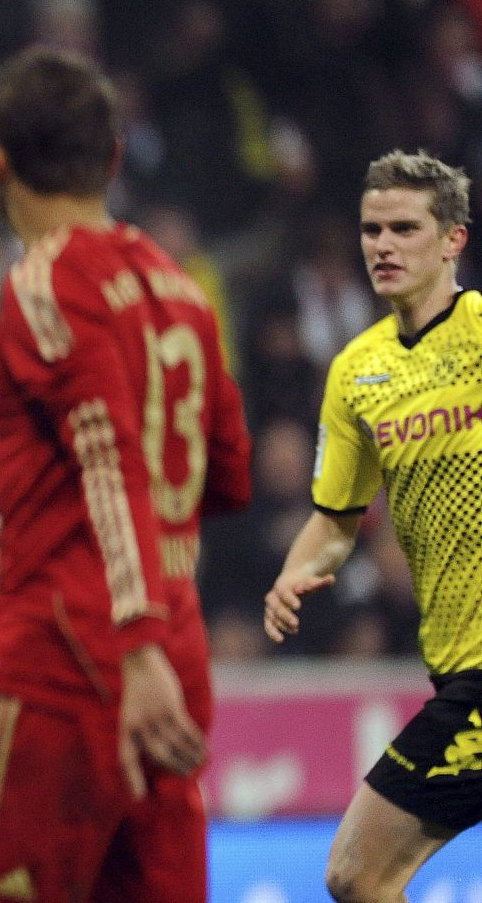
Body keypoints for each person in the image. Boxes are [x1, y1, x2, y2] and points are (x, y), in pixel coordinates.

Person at [0, 48, 252, 903]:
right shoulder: (180, 290)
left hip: (69, 662)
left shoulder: (46, 282)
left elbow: (112, 457)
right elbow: (225, 473)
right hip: (176, 656)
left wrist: (128, 644)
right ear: (116, 159)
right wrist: (31, 508)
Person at [263, 151, 482, 903]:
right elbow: (334, 518)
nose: (382, 245)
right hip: (455, 664)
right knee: (362, 877)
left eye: (404, 228)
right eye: (371, 229)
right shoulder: (358, 371)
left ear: (453, 239)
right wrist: (297, 570)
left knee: (358, 871)